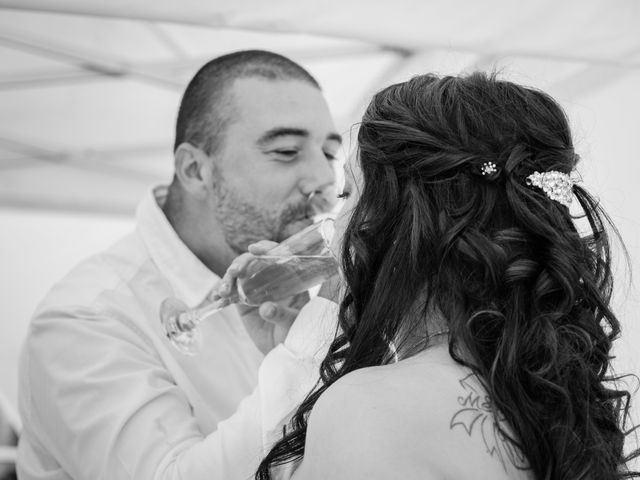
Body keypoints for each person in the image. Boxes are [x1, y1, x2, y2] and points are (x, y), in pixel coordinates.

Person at [249, 72, 640, 479]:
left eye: (347, 193)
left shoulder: (370, 407)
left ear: (399, 222)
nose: (335, 229)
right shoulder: (560, 408)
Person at [17, 50, 343, 480]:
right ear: (194, 170)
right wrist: (307, 352)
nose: (324, 179)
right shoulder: (85, 318)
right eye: (286, 151)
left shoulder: (292, 296)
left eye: (329, 152)